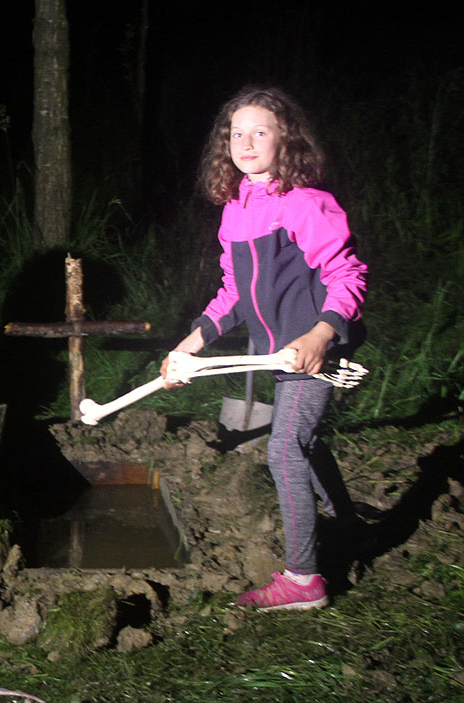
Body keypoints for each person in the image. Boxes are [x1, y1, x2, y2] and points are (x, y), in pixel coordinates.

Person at [164, 87, 367, 611]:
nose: (246, 142)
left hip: (312, 347)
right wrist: (185, 349)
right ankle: (345, 523)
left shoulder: (304, 204)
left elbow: (346, 274)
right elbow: (232, 294)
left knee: (283, 448)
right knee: (301, 439)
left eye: (261, 131)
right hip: (278, 351)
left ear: (286, 139)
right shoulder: (235, 208)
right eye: (237, 133)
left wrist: (321, 334)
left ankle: (304, 579)